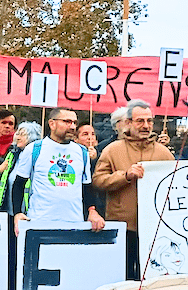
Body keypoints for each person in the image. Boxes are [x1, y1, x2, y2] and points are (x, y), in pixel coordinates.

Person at [93, 99, 174, 279]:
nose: (146, 126)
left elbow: (175, 186)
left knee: (153, 277)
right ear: (128, 123)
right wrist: (125, 176)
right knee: (124, 277)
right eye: (140, 121)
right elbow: (98, 181)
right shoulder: (112, 150)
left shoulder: (164, 153)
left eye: (149, 121)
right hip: (124, 227)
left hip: (156, 228)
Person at [12, 109, 104, 230]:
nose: (72, 126)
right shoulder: (34, 149)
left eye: (74, 123)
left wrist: (92, 211)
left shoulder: (82, 152)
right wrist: (17, 213)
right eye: (67, 122)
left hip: (74, 222)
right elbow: (19, 184)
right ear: (52, 124)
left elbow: (86, 187)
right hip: (40, 221)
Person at [76, 121, 105, 219]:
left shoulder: (102, 155)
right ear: (76, 139)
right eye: (85, 134)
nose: (90, 138)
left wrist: (95, 160)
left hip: (98, 202)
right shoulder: (73, 155)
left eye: (92, 134)